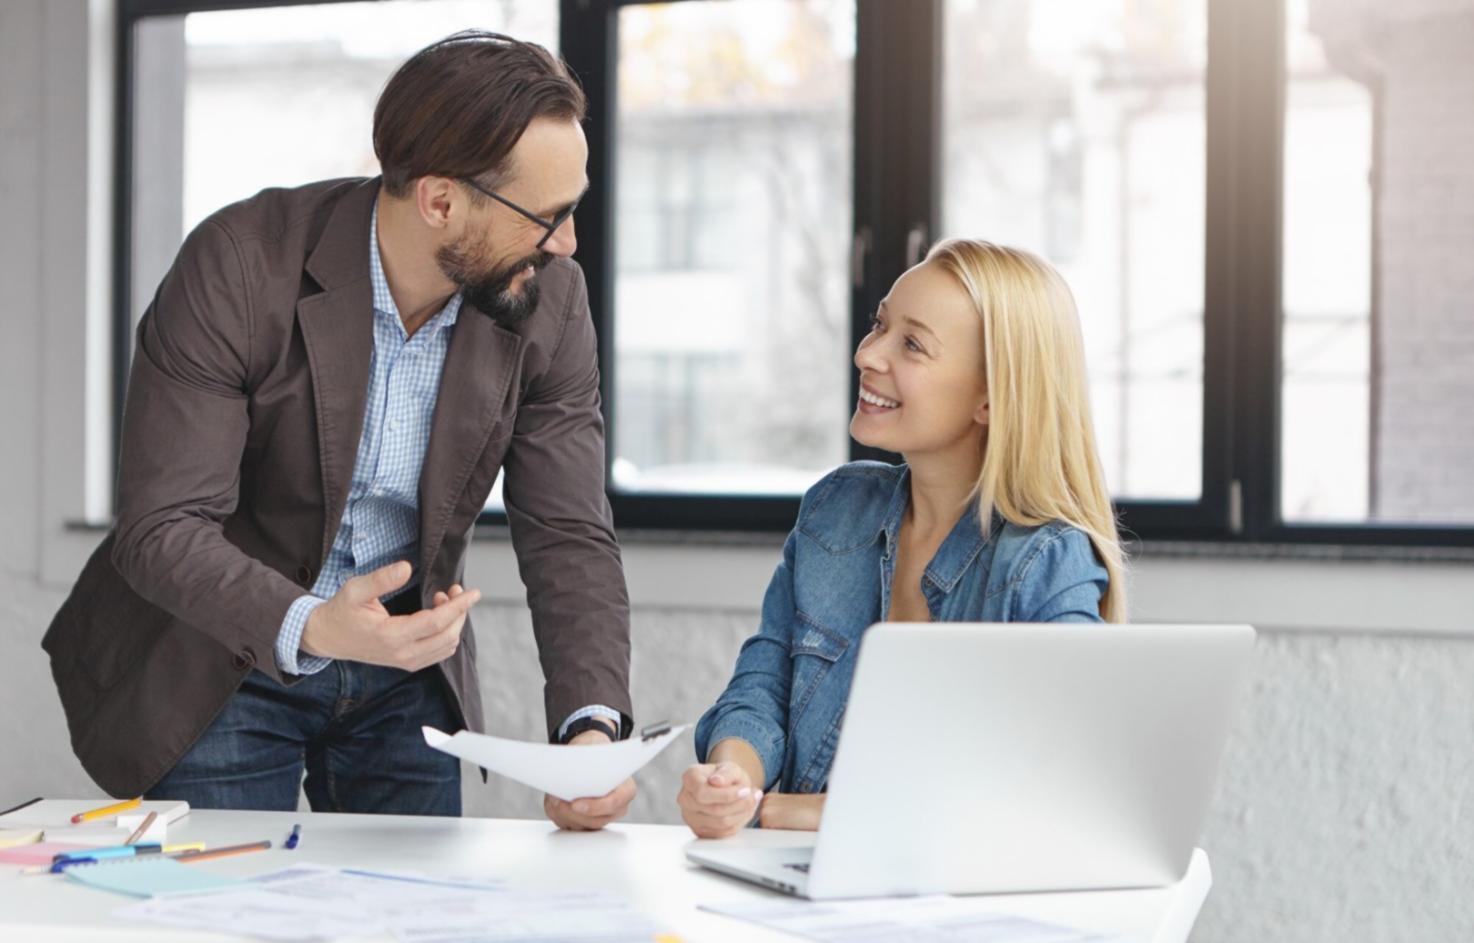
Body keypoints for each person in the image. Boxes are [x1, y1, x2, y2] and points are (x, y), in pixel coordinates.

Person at [42, 31, 635, 830]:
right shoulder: (240, 264)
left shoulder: (550, 300)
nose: (565, 243)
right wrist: (317, 623)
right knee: (231, 911)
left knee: (411, 915)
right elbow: (162, 524)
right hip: (226, 650)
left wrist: (590, 728)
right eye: (547, 216)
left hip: (405, 672)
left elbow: (567, 528)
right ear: (440, 200)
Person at [677, 239, 1127, 838]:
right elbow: (763, 683)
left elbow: (1052, 786)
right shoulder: (836, 509)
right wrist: (732, 782)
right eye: (879, 325)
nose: (868, 354)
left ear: (991, 397)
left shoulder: (1046, 561)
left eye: (912, 344)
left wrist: (809, 813)